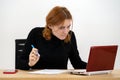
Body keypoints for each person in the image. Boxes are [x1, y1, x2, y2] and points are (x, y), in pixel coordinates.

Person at [20, 6, 87, 70]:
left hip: (60, 78)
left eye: (68, 26)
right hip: (39, 78)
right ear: (50, 25)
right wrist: (29, 63)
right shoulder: (36, 34)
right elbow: (19, 64)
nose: (66, 32)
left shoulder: (70, 35)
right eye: (61, 27)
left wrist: (95, 66)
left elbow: (77, 64)